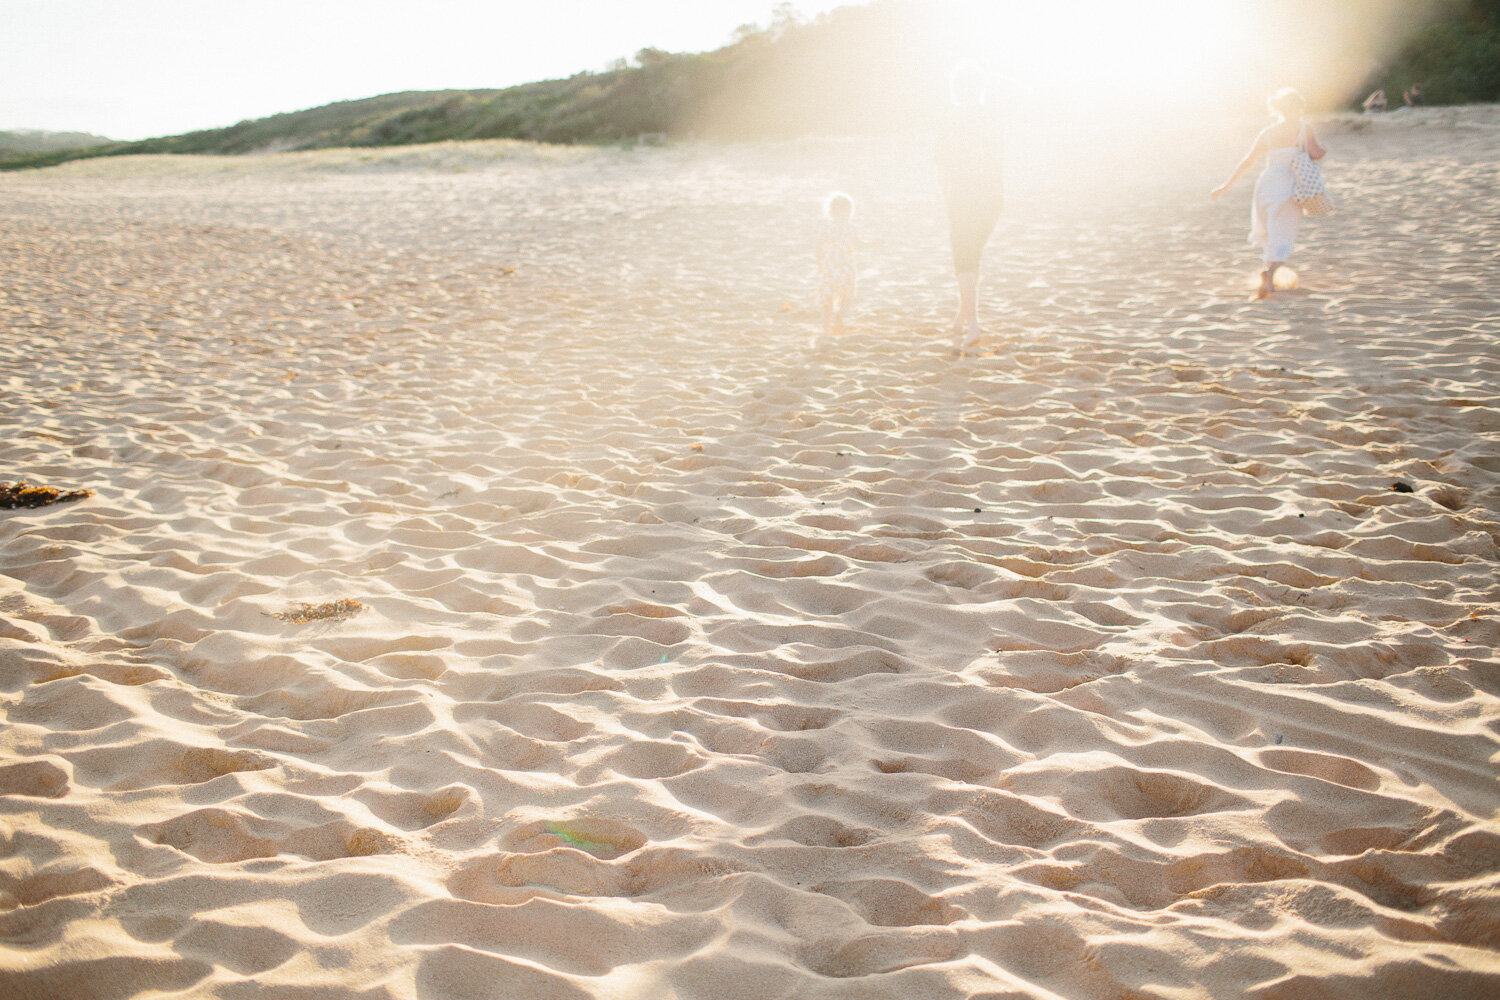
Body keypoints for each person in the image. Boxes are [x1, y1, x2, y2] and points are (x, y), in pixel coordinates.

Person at [1211, 87, 1327, 300]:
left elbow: (1248, 161)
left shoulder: (1267, 133)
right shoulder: (1304, 128)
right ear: (1300, 108)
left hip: (1266, 185)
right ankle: (1270, 274)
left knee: (1272, 233)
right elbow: (1315, 153)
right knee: (1284, 234)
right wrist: (1323, 150)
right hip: (1289, 186)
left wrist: (1225, 186)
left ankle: (1269, 278)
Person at [935, 61, 1004, 351]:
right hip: (992, 194)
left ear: (955, 90)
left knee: (963, 257)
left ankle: (973, 323)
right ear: (981, 89)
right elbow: (997, 158)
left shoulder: (951, 121)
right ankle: (963, 314)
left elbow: (942, 165)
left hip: (964, 193)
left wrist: (948, 198)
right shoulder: (991, 119)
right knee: (973, 253)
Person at [815, 192, 858, 342]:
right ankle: (840, 314)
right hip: (846, 266)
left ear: (831, 212)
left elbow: (818, 247)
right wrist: (875, 244)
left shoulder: (828, 228)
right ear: (850, 211)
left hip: (830, 266)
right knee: (848, 295)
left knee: (827, 300)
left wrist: (820, 264)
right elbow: (858, 245)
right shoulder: (851, 227)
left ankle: (826, 331)